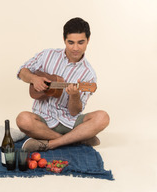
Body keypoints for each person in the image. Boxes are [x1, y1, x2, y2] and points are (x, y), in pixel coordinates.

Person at [16, 17, 110, 152]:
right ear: (64, 39)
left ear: (88, 40)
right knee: (22, 119)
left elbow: (74, 111)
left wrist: (75, 95)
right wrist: (34, 79)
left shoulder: (89, 75)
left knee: (103, 117)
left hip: (70, 122)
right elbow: (22, 71)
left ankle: (51, 143)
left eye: (81, 42)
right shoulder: (47, 55)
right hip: (43, 120)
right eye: (70, 42)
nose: (75, 48)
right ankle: (75, 139)